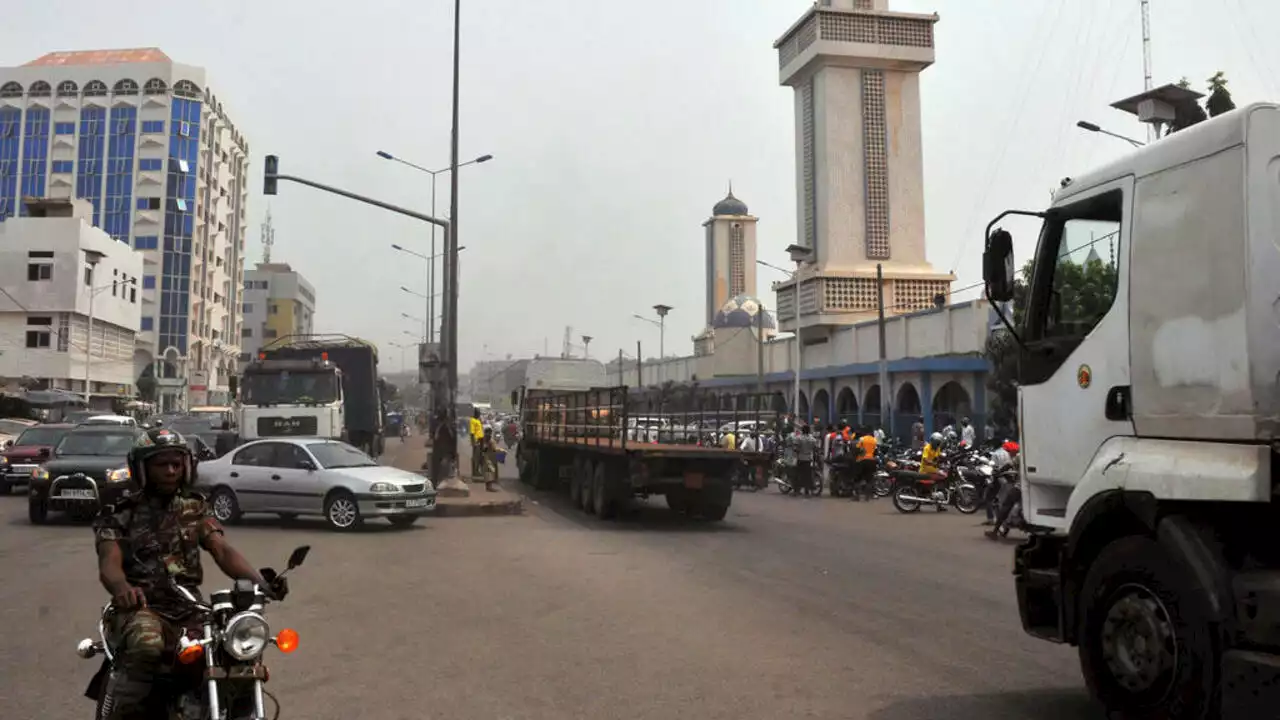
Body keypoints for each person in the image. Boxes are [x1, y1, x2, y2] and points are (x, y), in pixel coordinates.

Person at [92, 428, 279, 719]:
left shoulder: (194, 506)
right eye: (161, 464)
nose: (170, 471)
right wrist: (121, 589)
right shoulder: (119, 510)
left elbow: (221, 549)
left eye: (176, 464)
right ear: (141, 468)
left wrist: (260, 583)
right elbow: (109, 562)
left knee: (236, 643)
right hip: (140, 607)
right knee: (147, 643)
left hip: (188, 606)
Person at [854, 425, 878, 500]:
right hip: (871, 460)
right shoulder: (874, 440)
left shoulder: (862, 439)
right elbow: (876, 452)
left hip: (862, 460)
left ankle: (857, 496)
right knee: (869, 479)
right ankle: (867, 497)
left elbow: (857, 449)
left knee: (858, 479)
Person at [468, 409, 484, 479]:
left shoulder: (477, 420)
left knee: (479, 456)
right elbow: (472, 433)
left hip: (480, 440)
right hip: (476, 441)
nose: (479, 414)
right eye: (478, 413)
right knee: (476, 457)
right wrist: (474, 442)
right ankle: (475, 472)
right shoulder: (473, 420)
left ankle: (477, 471)